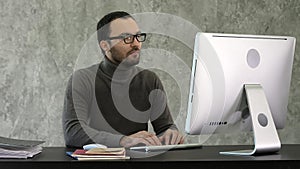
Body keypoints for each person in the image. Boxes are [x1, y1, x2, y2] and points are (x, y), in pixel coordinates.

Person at [62, 11, 184, 148]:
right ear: (105, 45)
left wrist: (171, 133)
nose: (136, 43)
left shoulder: (150, 80)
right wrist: (123, 141)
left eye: (138, 36)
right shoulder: (83, 79)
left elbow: (165, 128)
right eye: (127, 38)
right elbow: (73, 132)